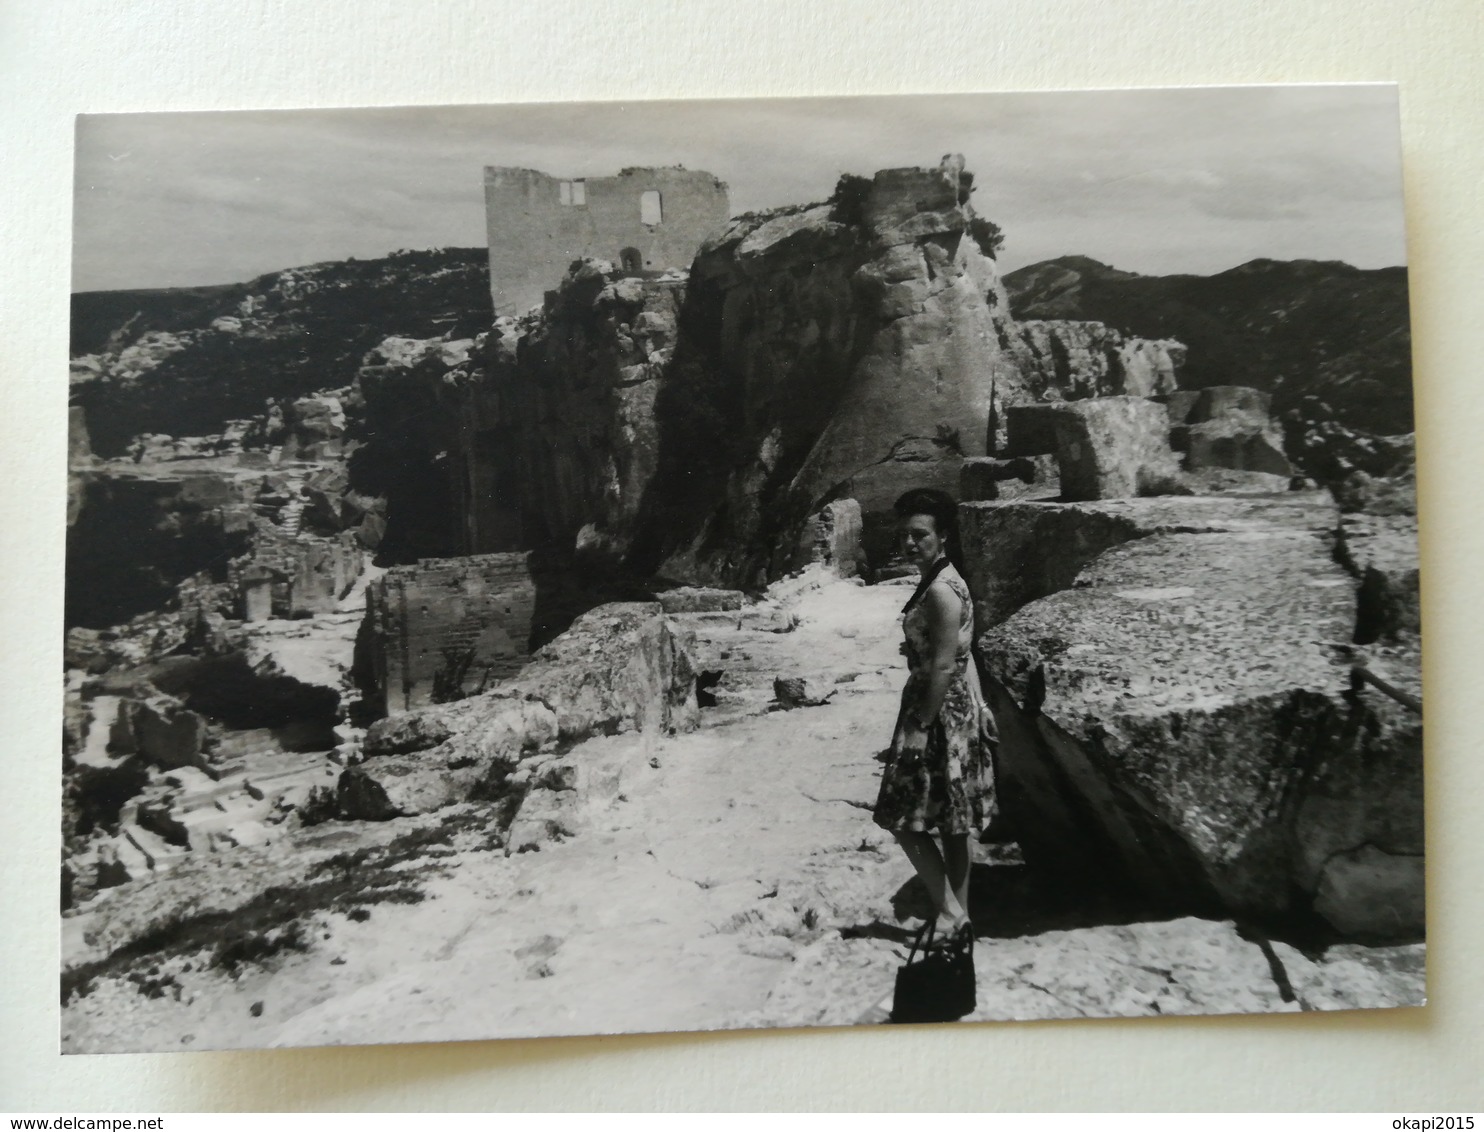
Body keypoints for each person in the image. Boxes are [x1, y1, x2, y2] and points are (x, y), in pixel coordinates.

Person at [873, 487, 997, 953]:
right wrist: (982, 706)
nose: (908, 543)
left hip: (936, 707)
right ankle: (958, 921)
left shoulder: (942, 590)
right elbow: (966, 654)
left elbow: (947, 664)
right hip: (956, 703)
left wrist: (920, 727)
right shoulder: (943, 577)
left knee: (903, 819)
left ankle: (949, 912)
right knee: (953, 821)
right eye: (903, 534)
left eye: (919, 534)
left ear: (942, 535)